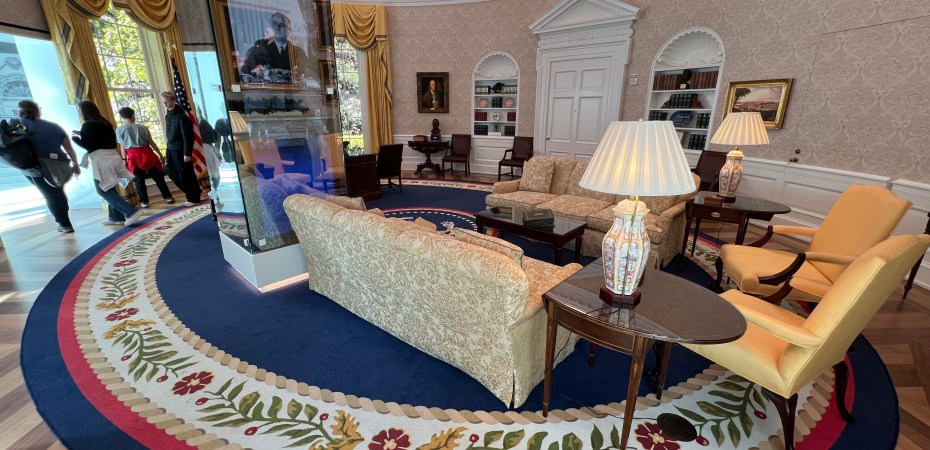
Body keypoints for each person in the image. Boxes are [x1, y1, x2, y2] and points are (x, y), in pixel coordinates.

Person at [71, 101, 144, 227]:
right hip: (113, 157)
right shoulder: (106, 124)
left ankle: (130, 211)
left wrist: (75, 139)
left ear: (83, 112)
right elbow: (106, 142)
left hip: (102, 160)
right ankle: (115, 217)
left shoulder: (87, 126)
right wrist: (82, 134)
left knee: (102, 190)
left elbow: (89, 146)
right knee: (109, 187)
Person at [16, 100, 81, 233]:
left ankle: (64, 224)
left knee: (50, 194)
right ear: (37, 110)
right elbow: (69, 148)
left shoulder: (17, 125)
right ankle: (65, 222)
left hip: (34, 166)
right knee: (58, 192)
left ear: (20, 111)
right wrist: (75, 164)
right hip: (58, 165)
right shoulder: (53, 126)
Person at [115, 107, 174, 208]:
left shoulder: (119, 130)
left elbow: (123, 147)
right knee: (158, 178)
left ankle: (144, 202)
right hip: (148, 154)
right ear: (133, 115)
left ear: (122, 117)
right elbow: (151, 143)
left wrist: (124, 160)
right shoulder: (143, 127)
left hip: (133, 156)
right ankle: (168, 197)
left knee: (139, 180)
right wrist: (160, 154)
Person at [240, 11, 310, 83]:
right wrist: (255, 70)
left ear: (289, 30)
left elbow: (308, 73)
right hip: (267, 89)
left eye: (282, 25)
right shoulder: (259, 50)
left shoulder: (298, 52)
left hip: (291, 89)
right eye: (275, 24)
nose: (277, 28)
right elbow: (245, 72)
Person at [160, 91, 202, 206]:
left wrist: (187, 153)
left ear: (173, 101)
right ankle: (194, 192)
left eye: (166, 101)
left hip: (181, 150)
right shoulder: (168, 115)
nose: (164, 104)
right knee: (171, 172)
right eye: (163, 101)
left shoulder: (182, 116)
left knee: (186, 174)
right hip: (170, 149)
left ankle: (194, 198)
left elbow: (188, 137)